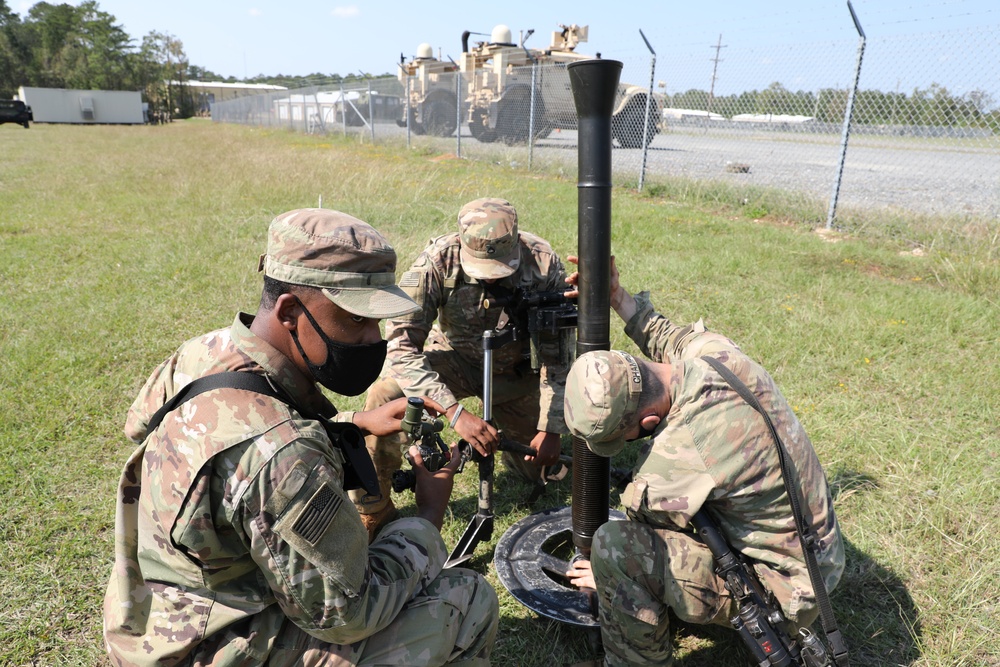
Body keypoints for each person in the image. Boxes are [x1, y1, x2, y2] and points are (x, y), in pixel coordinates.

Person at [103, 209, 499, 666]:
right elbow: (347, 613)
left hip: (152, 621)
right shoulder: (286, 456)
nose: (375, 339)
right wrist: (429, 514)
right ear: (291, 311)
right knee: (467, 598)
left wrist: (351, 423)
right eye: (357, 321)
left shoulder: (201, 352)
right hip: (210, 649)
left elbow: (180, 426)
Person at [562, 256, 844, 667]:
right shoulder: (714, 356)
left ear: (650, 422)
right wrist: (617, 298)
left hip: (787, 591)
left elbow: (640, 532)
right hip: (819, 557)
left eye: (621, 438)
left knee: (613, 549)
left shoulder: (680, 456)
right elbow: (672, 339)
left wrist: (607, 576)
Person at [353, 197, 570, 537]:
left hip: (516, 371)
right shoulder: (436, 262)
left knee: (538, 467)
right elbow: (401, 347)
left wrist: (552, 427)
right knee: (386, 394)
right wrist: (454, 412)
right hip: (455, 360)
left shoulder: (543, 264)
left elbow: (558, 354)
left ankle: (516, 432)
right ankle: (372, 507)